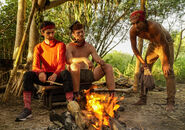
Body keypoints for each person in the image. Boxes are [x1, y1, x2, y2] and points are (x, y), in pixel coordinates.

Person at [15, 21, 73, 121]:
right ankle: (27, 109)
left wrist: (55, 74)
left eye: (52, 32)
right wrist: (40, 72)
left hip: (56, 75)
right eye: (48, 33)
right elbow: (35, 65)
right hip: (44, 76)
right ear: (42, 33)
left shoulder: (60, 45)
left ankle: (70, 108)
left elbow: (61, 64)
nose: (51, 35)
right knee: (28, 75)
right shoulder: (38, 47)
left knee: (66, 73)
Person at [129, 10, 176, 111]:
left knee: (168, 72)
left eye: (137, 22)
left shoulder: (153, 26)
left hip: (166, 44)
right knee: (145, 70)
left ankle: (170, 102)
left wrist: (166, 63)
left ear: (144, 20)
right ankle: (143, 98)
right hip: (153, 45)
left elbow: (164, 44)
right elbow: (134, 49)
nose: (135, 26)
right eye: (133, 23)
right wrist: (143, 63)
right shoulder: (133, 31)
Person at [66, 21, 115, 99]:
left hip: (87, 74)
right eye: (78, 33)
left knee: (108, 67)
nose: (81, 34)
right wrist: (83, 59)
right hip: (73, 74)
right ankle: (76, 95)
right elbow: (69, 60)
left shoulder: (89, 46)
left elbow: (97, 58)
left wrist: (101, 61)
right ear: (73, 35)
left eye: (82, 32)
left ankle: (112, 97)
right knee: (75, 65)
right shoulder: (69, 46)